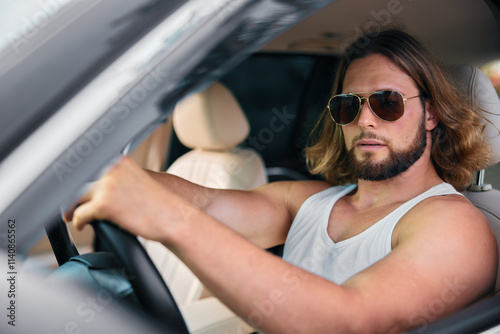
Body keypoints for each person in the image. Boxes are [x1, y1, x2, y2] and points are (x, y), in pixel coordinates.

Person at [65, 29, 498, 333]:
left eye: (387, 102)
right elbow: (206, 204)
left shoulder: (453, 225)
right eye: (349, 106)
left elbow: (350, 321)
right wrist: (103, 177)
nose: (364, 119)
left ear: (431, 114)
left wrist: (169, 220)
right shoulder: (306, 201)